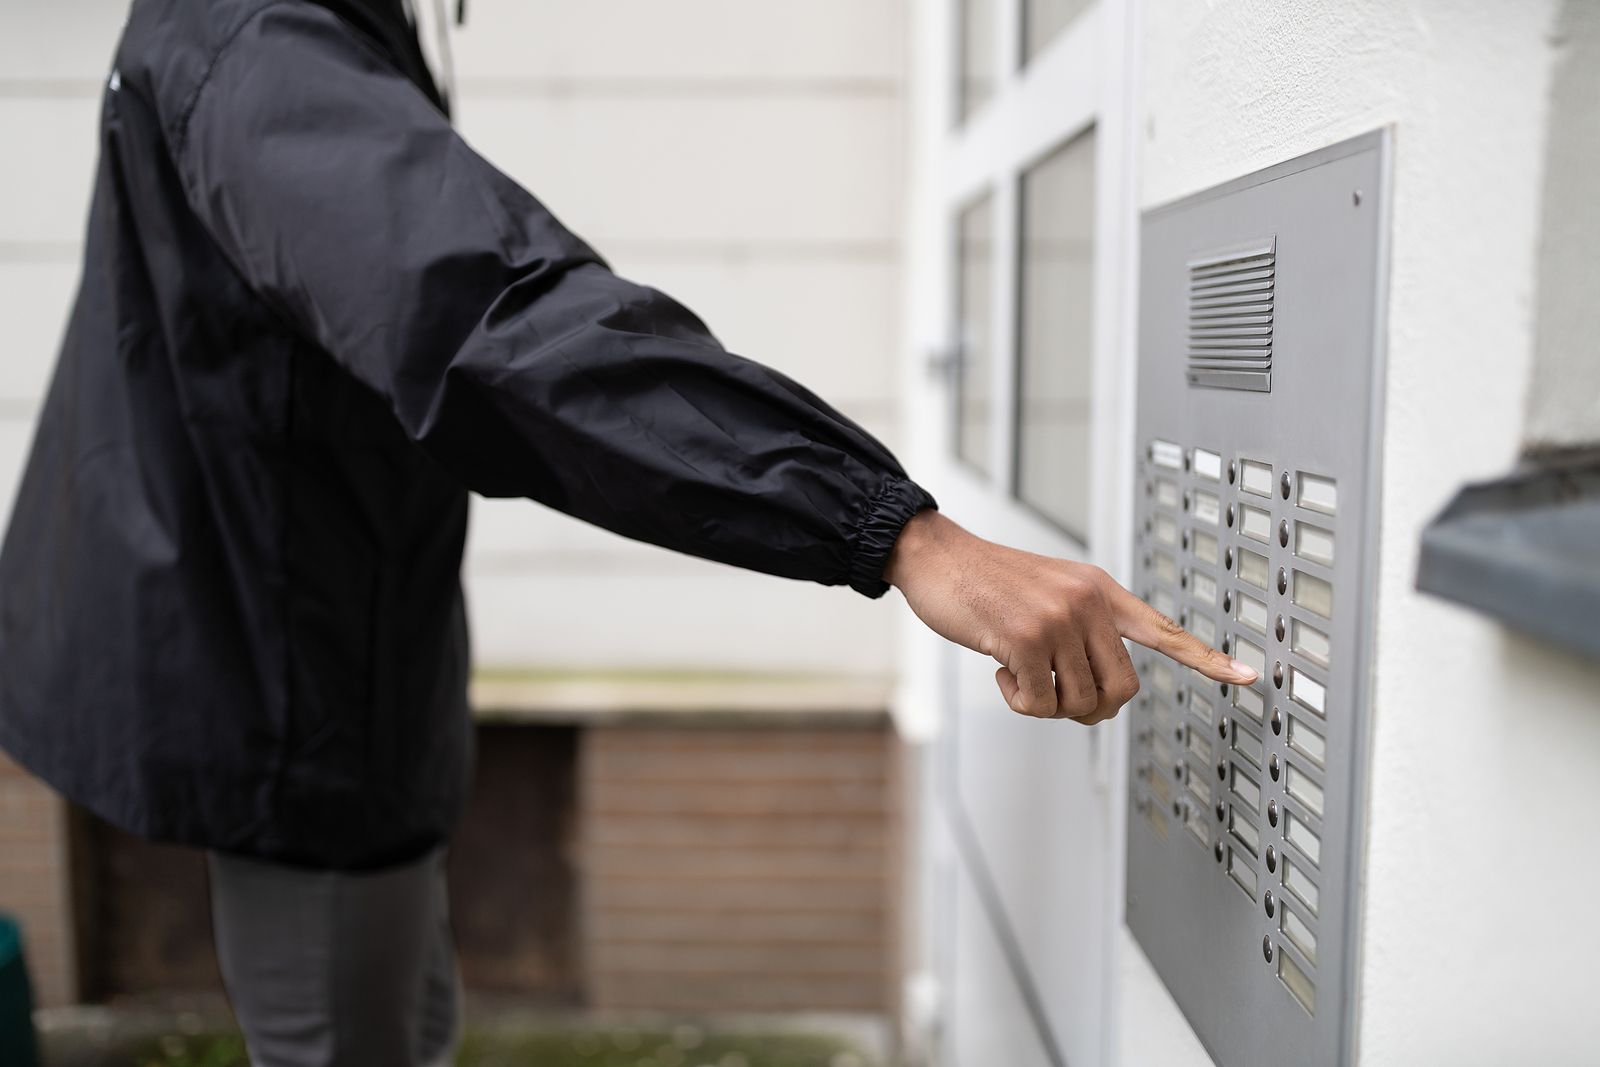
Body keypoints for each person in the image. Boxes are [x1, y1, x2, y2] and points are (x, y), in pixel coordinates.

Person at [0, 0, 1257, 1063]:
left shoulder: (287, 30)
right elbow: (491, 322)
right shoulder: (258, 42)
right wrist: (896, 534)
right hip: (291, 690)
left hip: (328, 662)